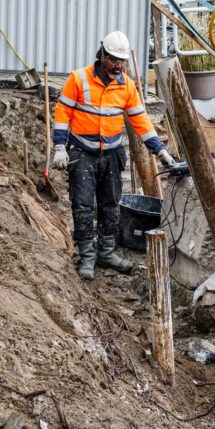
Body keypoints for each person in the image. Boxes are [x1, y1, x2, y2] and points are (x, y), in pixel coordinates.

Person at [52, 30, 176, 279]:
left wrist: (160, 151)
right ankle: (87, 255)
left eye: (122, 62)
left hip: (111, 154)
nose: (118, 66)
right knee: (83, 206)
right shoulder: (78, 79)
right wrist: (59, 147)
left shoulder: (127, 86)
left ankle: (107, 252)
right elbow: (63, 113)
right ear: (102, 55)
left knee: (110, 205)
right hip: (83, 153)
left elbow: (140, 120)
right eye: (114, 60)